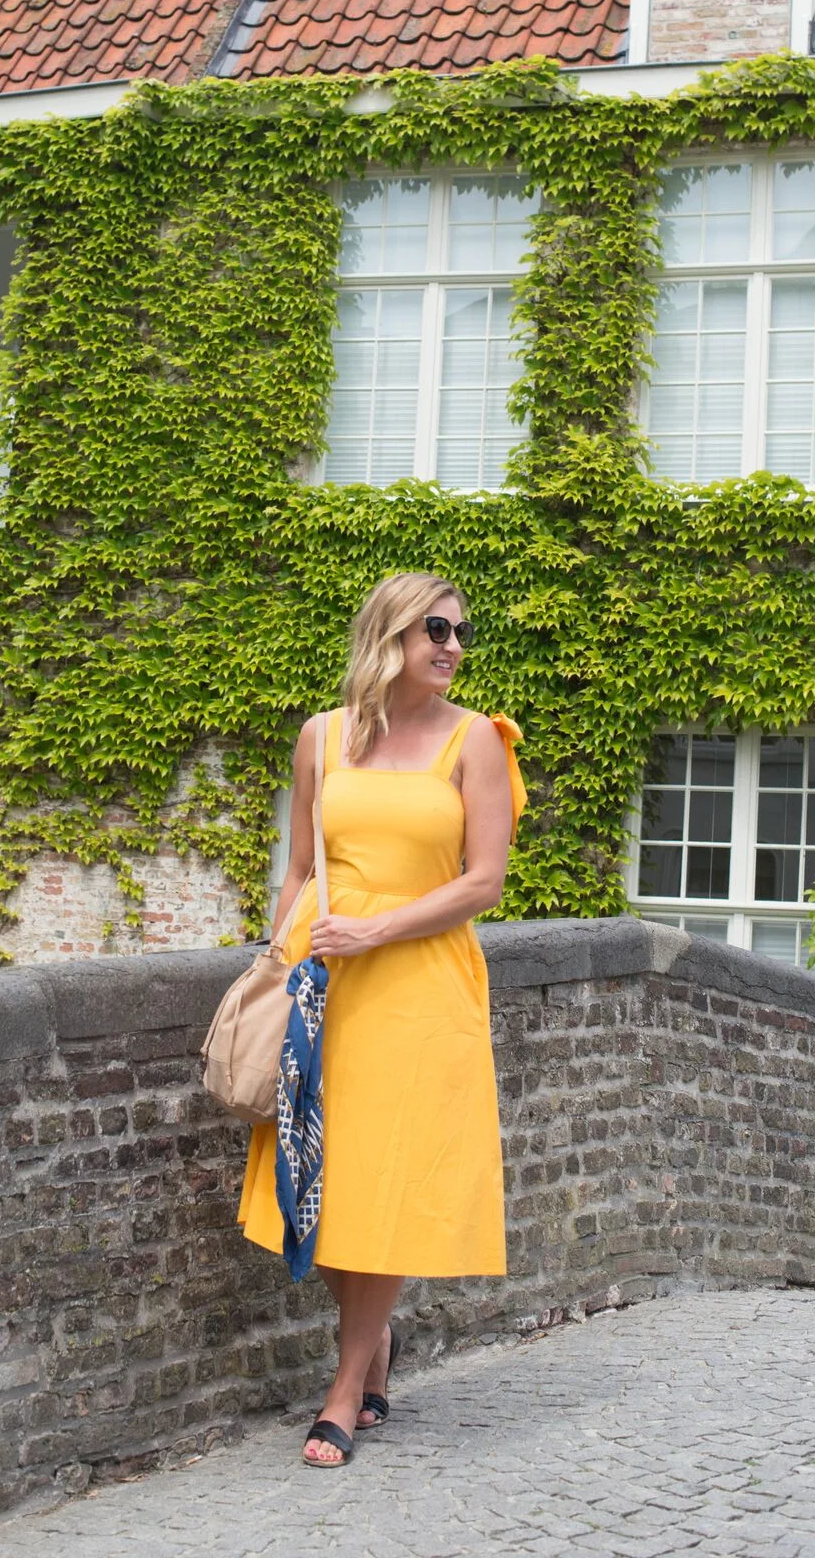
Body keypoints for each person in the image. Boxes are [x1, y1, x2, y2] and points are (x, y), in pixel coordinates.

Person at [237, 571, 525, 1467]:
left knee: (389, 1182)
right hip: (323, 982)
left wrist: (376, 928)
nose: (452, 646)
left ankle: (343, 1386)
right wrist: (277, 963)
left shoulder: (476, 741)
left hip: (421, 984)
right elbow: (298, 868)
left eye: (460, 632)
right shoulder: (321, 737)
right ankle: (376, 1343)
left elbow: (484, 882)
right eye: (434, 629)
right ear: (388, 634)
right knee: (321, 1179)